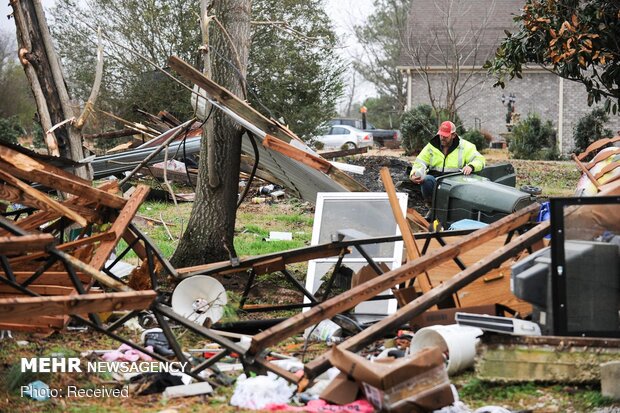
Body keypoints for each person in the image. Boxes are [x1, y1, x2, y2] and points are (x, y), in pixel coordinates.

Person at [410, 121, 485, 206]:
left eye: (445, 136)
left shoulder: (465, 146)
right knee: (426, 180)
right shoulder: (431, 146)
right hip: (435, 180)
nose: (442, 138)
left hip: (455, 182)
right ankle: (432, 207)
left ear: (453, 135)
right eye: (441, 135)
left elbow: (480, 160)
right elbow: (420, 162)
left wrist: (471, 166)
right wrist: (414, 174)